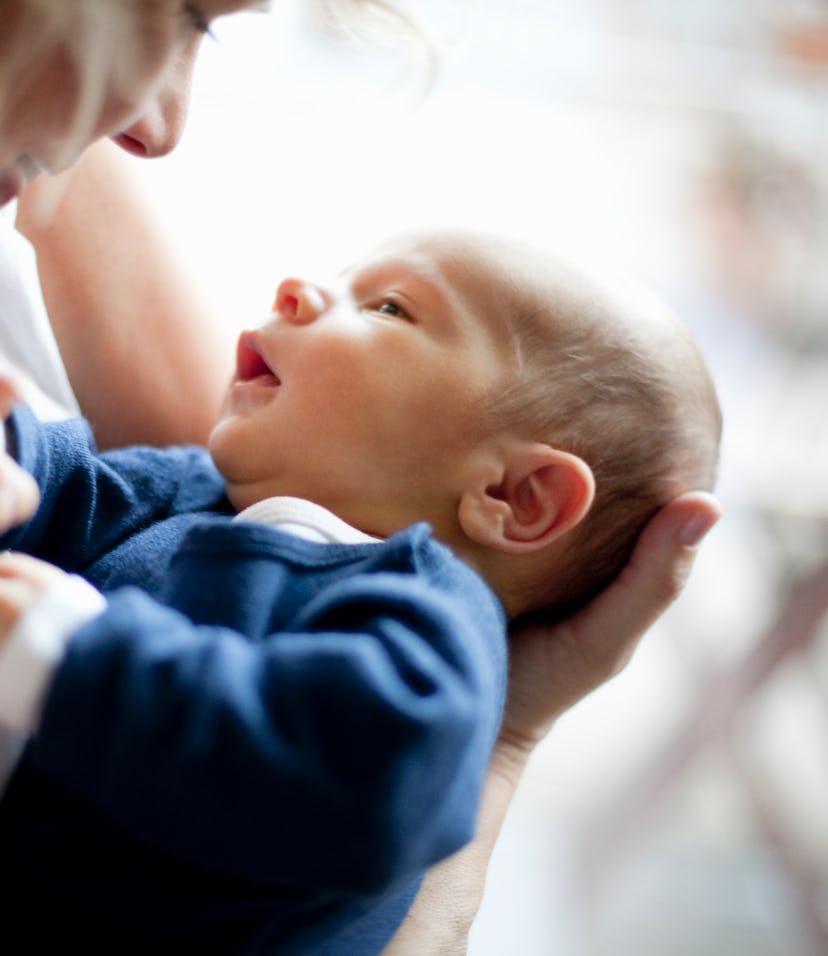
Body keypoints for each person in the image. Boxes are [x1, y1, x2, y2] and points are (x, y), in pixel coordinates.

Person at [0, 1, 724, 951]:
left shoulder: (421, 624)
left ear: (513, 495)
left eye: (386, 307)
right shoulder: (187, 493)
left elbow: (356, 786)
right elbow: (69, 489)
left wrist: (66, 656)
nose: (297, 289)